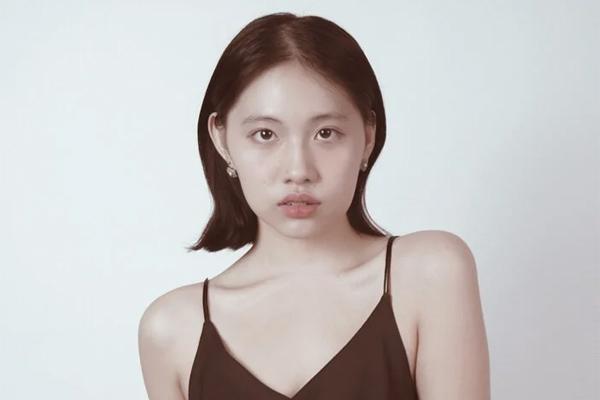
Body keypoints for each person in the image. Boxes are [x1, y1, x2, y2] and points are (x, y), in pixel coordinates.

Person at [138, 12, 490, 400]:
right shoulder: (172, 330)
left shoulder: (430, 273)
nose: (298, 170)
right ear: (222, 140)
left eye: (326, 133)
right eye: (265, 134)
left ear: (368, 137)